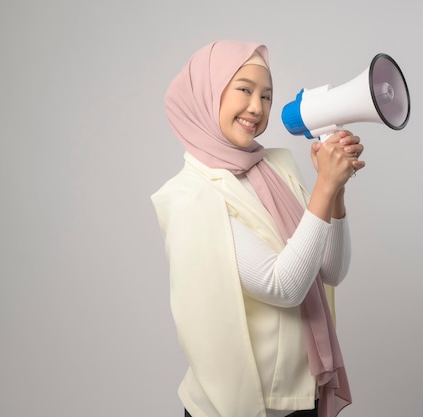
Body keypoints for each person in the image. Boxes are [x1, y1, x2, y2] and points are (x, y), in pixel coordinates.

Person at [151, 40, 365, 417]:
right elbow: (283, 286)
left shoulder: (276, 165)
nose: (257, 107)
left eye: (267, 96)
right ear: (208, 94)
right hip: (244, 407)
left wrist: (336, 194)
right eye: (244, 89)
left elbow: (331, 271)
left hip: (304, 397)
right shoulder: (190, 195)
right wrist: (323, 187)